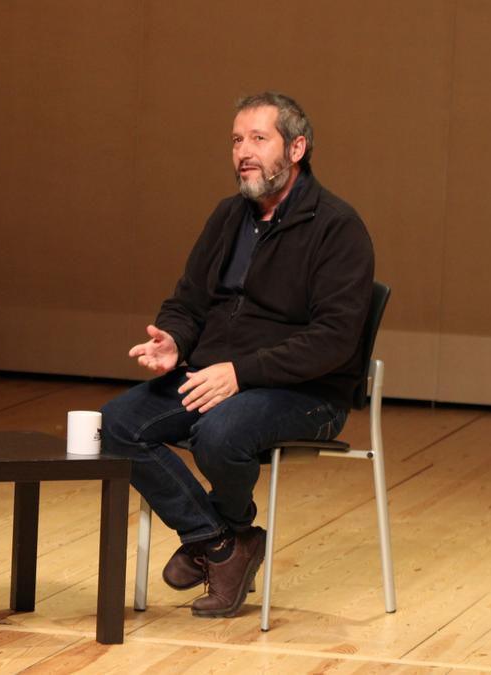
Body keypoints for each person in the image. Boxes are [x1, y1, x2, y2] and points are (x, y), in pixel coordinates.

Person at [101, 92, 373, 617]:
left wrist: (241, 373)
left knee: (220, 432)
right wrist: (176, 340)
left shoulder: (338, 227)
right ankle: (223, 543)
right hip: (215, 376)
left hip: (305, 391)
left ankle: (217, 538)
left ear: (297, 149)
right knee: (115, 424)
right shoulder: (229, 216)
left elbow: (335, 339)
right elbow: (187, 301)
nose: (243, 152)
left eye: (258, 139)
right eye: (235, 140)